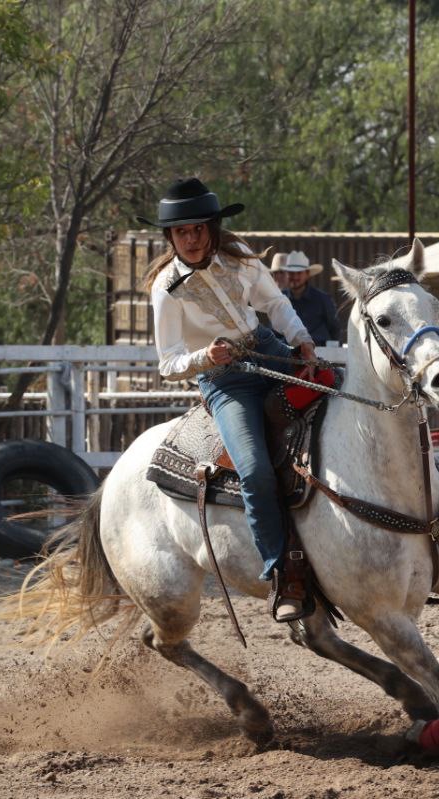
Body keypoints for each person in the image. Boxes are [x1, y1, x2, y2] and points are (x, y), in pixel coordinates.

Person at [141, 177, 316, 621]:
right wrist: (206, 355)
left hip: (269, 351)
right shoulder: (166, 288)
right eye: (182, 231)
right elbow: (169, 362)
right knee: (255, 470)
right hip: (225, 380)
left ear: (213, 228)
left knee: (340, 397)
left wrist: (303, 341)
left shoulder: (240, 260)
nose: (192, 238)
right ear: (170, 237)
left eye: (199, 228)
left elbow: (275, 304)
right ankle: (283, 574)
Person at [280, 250, 340, 346]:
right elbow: (274, 330)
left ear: (307, 274)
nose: (295, 277)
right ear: (286, 274)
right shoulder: (280, 299)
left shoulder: (322, 299)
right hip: (286, 354)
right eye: (291, 273)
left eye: (299, 273)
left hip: (320, 353)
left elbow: (334, 328)